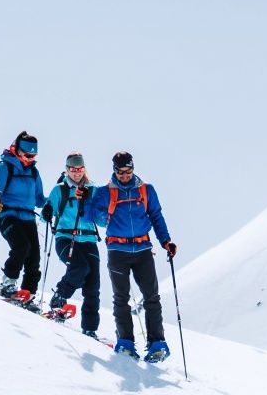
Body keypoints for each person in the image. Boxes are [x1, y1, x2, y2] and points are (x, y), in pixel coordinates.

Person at [89, 151, 176, 361]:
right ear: (114, 171)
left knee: (152, 297)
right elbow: (93, 216)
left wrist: (166, 241)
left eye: (128, 171)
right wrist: (101, 214)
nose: (125, 176)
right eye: (120, 172)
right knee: (121, 298)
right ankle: (126, 343)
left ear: (133, 168)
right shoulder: (104, 192)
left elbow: (156, 216)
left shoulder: (146, 190)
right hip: (117, 251)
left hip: (143, 249)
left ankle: (157, 343)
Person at [40, 152, 102, 335]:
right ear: (67, 169)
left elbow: (100, 219)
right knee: (80, 267)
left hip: (89, 239)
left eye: (80, 169)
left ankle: (90, 329)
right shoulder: (60, 189)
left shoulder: (93, 190)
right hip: (66, 238)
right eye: (73, 169)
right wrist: (46, 213)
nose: (77, 173)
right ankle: (60, 296)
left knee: (93, 286)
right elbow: (46, 216)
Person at [0, 132, 45, 304]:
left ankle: (28, 294)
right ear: (17, 151)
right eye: (27, 155)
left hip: (27, 217)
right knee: (22, 246)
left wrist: (53, 203)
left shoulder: (34, 172)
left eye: (33, 156)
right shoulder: (5, 167)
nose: (29, 159)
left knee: (34, 257)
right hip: (8, 214)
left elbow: (40, 199)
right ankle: (8, 283)